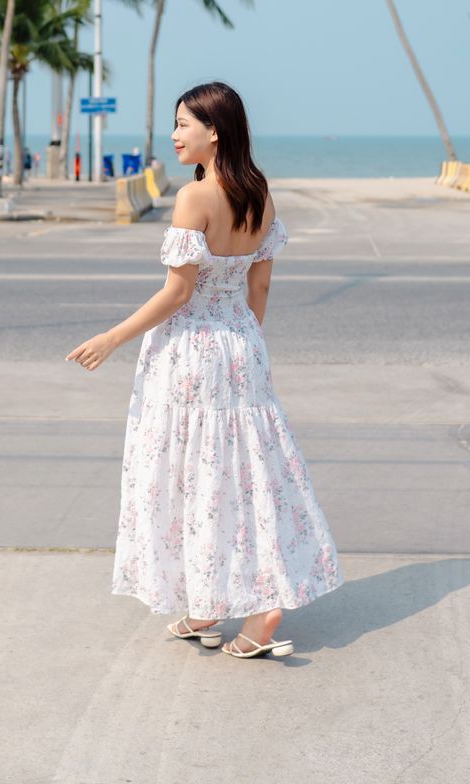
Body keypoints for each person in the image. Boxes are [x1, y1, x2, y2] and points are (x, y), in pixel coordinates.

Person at [64, 80, 342, 660]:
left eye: (183, 125)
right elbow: (259, 286)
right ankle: (212, 607)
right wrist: (242, 342)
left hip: (190, 352)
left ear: (214, 131)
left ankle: (234, 606)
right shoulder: (261, 194)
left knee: (193, 473)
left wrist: (111, 337)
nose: (174, 135)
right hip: (242, 345)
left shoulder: (196, 197)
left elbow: (177, 293)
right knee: (247, 471)